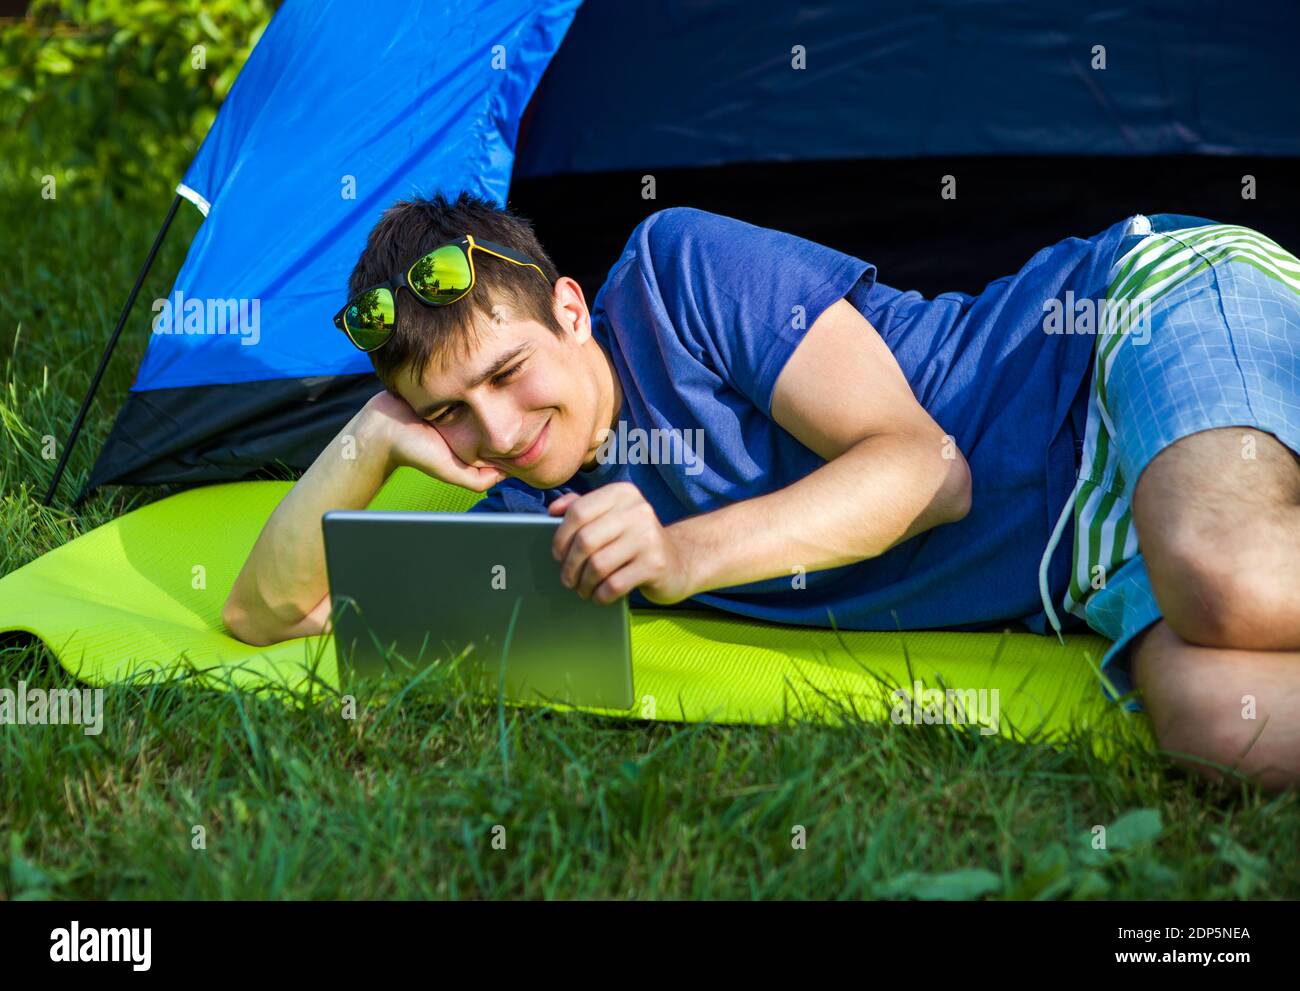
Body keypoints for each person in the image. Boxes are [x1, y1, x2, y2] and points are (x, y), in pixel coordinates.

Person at [223, 191, 1300, 791]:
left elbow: (928, 471)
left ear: (569, 308)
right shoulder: (539, 521)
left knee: (1230, 573)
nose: (495, 431)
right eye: (448, 411)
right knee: (1220, 721)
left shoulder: (676, 275)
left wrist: (684, 553)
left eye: (506, 375)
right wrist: (368, 435)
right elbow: (267, 612)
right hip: (1091, 550)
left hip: (1118, 329)